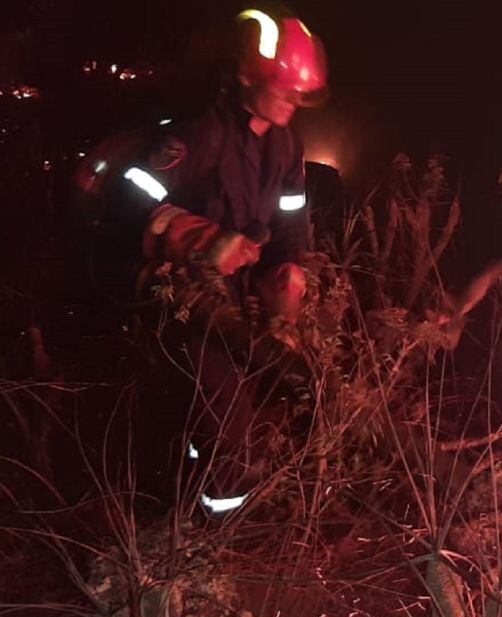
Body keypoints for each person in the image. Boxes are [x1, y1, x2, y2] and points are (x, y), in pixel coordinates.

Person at [85, 7, 329, 513]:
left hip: (236, 298)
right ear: (245, 74)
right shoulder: (196, 134)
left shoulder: (285, 145)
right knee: (227, 418)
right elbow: (130, 198)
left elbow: (290, 224)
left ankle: (199, 497)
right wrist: (200, 238)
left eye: (297, 89)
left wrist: (289, 273)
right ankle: (209, 534)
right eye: (282, 85)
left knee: (270, 393)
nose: (292, 98)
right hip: (179, 296)